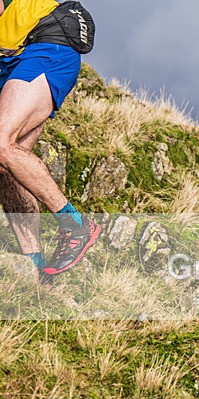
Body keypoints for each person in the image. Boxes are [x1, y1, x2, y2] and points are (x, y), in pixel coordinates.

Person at [0, 0, 100, 280]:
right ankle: (34, 264)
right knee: (7, 165)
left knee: (2, 143)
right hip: (13, 54)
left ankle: (76, 225)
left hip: (47, 41)